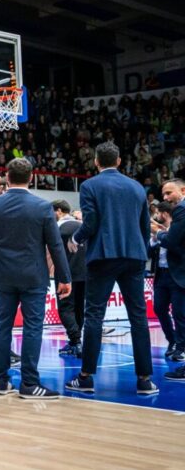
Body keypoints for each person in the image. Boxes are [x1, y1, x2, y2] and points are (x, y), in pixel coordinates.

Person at [0, 158, 71, 399]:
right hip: (33, 275)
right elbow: (56, 245)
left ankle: (1, 381)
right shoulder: (42, 206)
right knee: (32, 328)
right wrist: (64, 277)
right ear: (31, 178)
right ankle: (29, 383)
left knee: (2, 326)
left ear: (7, 177)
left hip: (2, 274)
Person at [66, 143, 158, 396]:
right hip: (134, 257)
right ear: (119, 161)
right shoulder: (137, 186)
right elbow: (143, 226)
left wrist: (75, 239)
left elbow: (91, 222)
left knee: (94, 315)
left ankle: (86, 378)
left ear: (96, 162)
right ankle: (145, 380)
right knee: (138, 317)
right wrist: (141, 254)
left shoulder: (90, 185)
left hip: (103, 256)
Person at [155, 180, 185, 381]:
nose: (165, 198)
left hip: (178, 274)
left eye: (168, 193)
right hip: (164, 274)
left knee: (181, 317)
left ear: (182, 190)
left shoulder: (181, 211)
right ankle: (175, 343)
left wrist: (157, 234)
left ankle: (180, 353)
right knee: (162, 309)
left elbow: (172, 241)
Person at [52, 199, 87, 357]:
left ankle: (76, 340)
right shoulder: (82, 226)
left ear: (59, 211)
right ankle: (76, 342)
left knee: (65, 308)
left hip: (66, 274)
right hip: (85, 273)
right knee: (79, 307)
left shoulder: (58, 228)